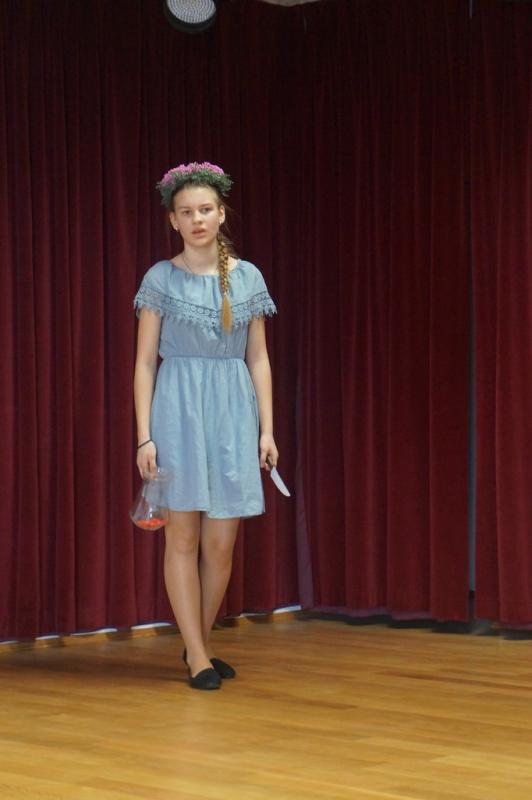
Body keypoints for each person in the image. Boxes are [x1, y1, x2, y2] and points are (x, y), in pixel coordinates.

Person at [133, 162, 278, 690]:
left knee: (220, 545)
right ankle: (197, 655)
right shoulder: (160, 278)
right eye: (186, 212)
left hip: (232, 412)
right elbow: (144, 362)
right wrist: (145, 435)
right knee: (183, 538)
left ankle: (200, 642)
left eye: (205, 210)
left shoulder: (248, 277)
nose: (197, 220)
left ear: (221, 214)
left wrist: (266, 429)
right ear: (173, 220)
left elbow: (258, 357)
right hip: (177, 412)